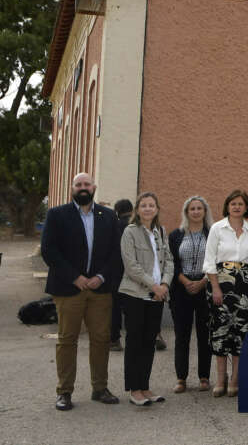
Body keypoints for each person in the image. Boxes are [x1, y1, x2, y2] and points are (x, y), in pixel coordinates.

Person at [40, 172, 121, 410]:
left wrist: (101, 276)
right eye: (79, 184)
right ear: (72, 188)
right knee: (67, 340)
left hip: (100, 289)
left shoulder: (108, 216)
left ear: (94, 187)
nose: (83, 187)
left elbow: (116, 253)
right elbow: (49, 250)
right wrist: (74, 277)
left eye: (87, 184)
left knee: (101, 339)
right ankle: (64, 391)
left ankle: (100, 388)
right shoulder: (57, 215)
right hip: (68, 288)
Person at [119, 192, 174, 406]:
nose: (148, 208)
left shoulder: (160, 231)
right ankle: (134, 389)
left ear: (157, 209)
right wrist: (154, 286)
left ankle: (145, 385)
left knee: (149, 342)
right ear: (137, 210)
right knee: (135, 341)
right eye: (144, 205)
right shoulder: (130, 232)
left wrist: (165, 285)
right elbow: (131, 266)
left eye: (152, 205)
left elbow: (169, 260)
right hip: (136, 294)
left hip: (158, 295)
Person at [203, 189, 248, 398]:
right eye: (233, 203)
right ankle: (220, 379)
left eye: (240, 204)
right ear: (227, 206)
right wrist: (215, 287)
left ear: (246, 207)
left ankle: (235, 379)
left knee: (241, 333)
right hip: (220, 285)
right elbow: (209, 261)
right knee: (220, 332)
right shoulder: (217, 228)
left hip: (245, 287)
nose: (236, 207)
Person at [167, 196, 213, 393]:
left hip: (205, 289)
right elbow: (170, 262)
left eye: (199, 208)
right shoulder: (176, 235)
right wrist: (185, 281)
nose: (195, 212)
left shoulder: (212, 234)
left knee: (205, 336)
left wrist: (203, 281)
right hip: (181, 290)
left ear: (205, 212)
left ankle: (204, 377)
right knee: (181, 335)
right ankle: (181, 378)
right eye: (192, 209)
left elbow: (215, 261)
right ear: (186, 212)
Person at [109, 198, 133, 352]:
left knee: (115, 307)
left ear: (117, 211)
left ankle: (114, 340)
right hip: (135, 272)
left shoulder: (115, 225)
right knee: (134, 307)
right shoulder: (137, 225)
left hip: (117, 272)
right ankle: (150, 336)